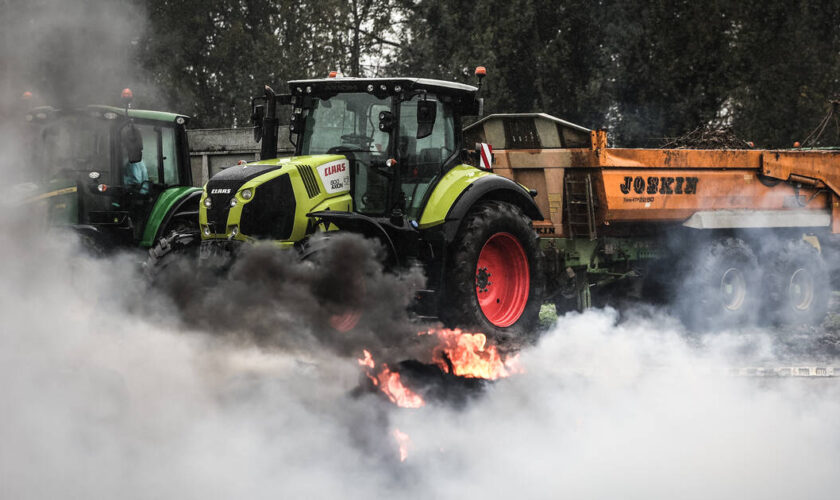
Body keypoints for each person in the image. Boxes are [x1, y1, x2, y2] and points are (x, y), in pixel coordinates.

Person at [122, 125, 149, 194]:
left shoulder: (134, 161)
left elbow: (136, 181)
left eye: (123, 145)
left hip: (135, 195)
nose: (122, 148)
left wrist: (119, 179)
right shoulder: (133, 160)